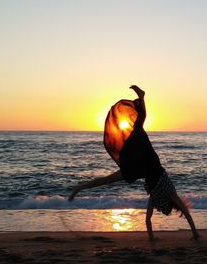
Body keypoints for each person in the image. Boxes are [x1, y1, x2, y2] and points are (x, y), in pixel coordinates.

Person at [68, 85, 199, 241]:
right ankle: (142, 97)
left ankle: (78, 188)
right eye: (166, 210)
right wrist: (195, 234)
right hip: (148, 163)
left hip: (140, 167)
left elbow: (149, 220)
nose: (163, 210)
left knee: (108, 177)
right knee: (138, 128)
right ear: (169, 206)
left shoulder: (157, 197)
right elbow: (183, 214)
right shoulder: (169, 195)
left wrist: (152, 238)